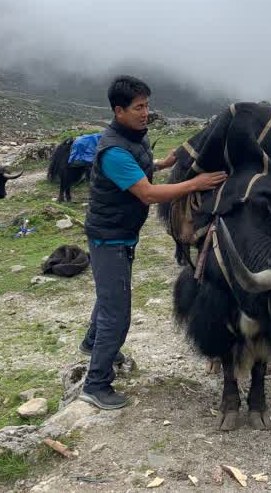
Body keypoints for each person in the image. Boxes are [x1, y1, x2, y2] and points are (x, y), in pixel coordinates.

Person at [78, 76, 227, 410]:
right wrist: (195, 183)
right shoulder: (114, 150)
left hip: (120, 234)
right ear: (118, 111)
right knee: (117, 313)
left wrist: (163, 163)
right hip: (109, 237)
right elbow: (146, 193)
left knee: (109, 295)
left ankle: (92, 343)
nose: (146, 113)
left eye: (147, 105)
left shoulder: (133, 139)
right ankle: (96, 383)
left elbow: (142, 170)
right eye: (138, 108)